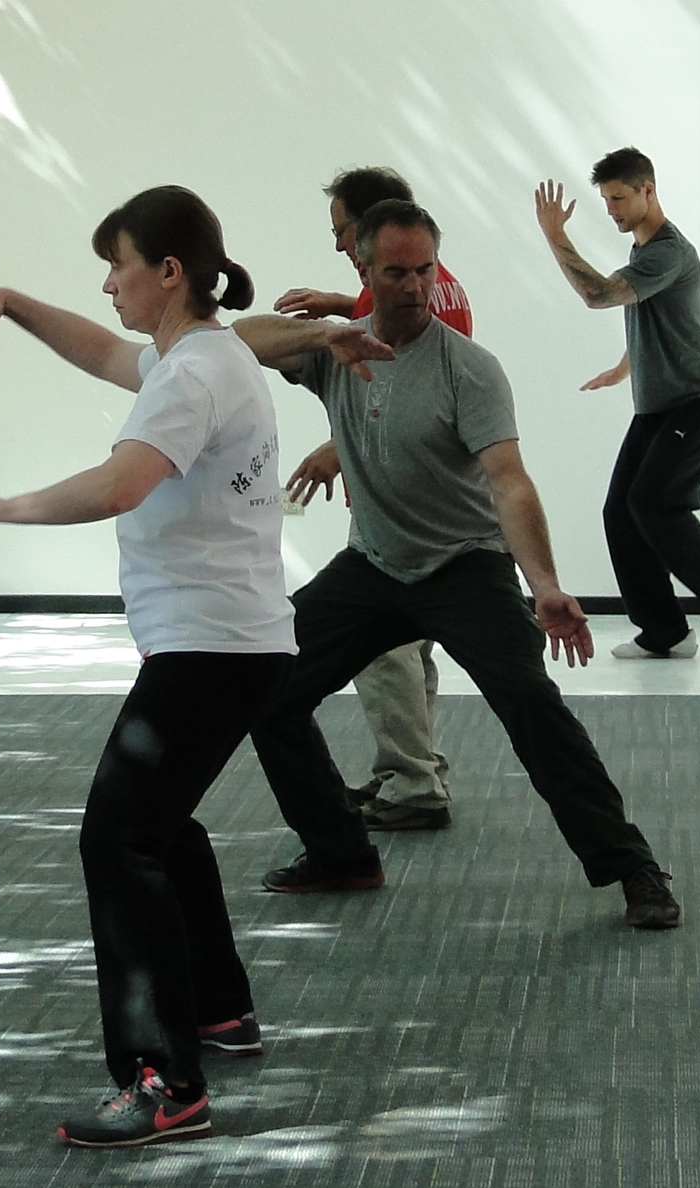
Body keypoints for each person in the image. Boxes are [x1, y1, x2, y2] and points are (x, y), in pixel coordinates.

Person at [0, 186, 389, 1149]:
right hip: (232, 642)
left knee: (118, 838)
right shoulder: (201, 357)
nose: (107, 285)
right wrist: (12, 302)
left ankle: (161, 1078)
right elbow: (106, 354)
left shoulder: (193, 377)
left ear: (169, 271)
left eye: (119, 266)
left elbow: (122, 481)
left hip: (211, 648)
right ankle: (219, 1010)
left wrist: (0, 510)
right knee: (160, 826)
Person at [233, 198, 683, 930]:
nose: (413, 287)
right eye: (395, 272)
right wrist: (325, 331)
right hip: (373, 565)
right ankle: (340, 852)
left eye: (424, 271)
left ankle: (632, 866)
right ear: (364, 269)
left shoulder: (467, 369)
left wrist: (544, 586)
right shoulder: (335, 351)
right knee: (266, 688)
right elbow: (232, 343)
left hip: (466, 567)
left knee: (532, 707)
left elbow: (509, 479)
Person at [276, 166, 473, 832]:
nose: (338, 245)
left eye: (342, 231)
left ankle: (413, 781)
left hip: (399, 514)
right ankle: (412, 769)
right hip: (412, 508)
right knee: (409, 649)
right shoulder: (432, 290)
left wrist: (337, 451)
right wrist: (340, 303)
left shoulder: (419, 306)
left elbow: (398, 393)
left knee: (384, 652)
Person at [533, 146, 700, 660]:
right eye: (606, 200)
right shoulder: (643, 254)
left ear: (648, 190)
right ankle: (665, 632)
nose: (612, 210)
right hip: (657, 410)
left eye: (619, 198)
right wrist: (625, 367)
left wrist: (556, 236)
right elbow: (658, 318)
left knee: (653, 504)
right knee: (620, 514)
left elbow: (600, 295)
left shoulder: (668, 252)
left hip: (697, 406)